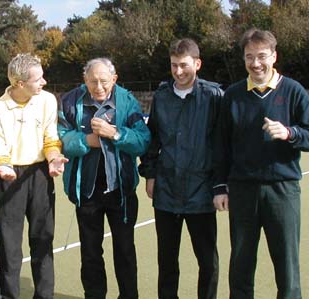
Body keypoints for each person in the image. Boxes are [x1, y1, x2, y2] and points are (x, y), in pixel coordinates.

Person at [213, 28, 309, 298]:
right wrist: (220, 186)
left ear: (274, 56)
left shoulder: (294, 91)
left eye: (262, 56)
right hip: (242, 190)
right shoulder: (232, 95)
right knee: (241, 265)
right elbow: (222, 145)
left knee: (287, 266)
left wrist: (290, 133)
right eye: (249, 57)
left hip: (283, 190)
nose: (256, 63)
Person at [58, 57, 150, 299]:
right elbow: (61, 138)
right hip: (86, 192)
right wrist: (87, 141)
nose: (98, 87)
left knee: (125, 250)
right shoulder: (69, 101)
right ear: (84, 80)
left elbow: (142, 140)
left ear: (115, 79)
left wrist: (116, 133)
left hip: (121, 191)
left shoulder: (127, 102)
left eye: (104, 81)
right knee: (90, 252)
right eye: (92, 82)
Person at [138, 38, 223, 299]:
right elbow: (152, 140)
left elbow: (222, 145)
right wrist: (150, 174)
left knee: (207, 262)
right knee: (167, 261)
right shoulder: (162, 97)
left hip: (202, 192)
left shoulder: (214, 96)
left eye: (184, 65)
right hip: (166, 193)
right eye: (174, 65)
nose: (178, 71)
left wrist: (220, 185)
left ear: (197, 63)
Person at [0, 53, 67, 299]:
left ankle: (44, 295)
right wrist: (3, 167)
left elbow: (50, 138)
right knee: (10, 244)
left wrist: (53, 159)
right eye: (38, 78)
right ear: (20, 83)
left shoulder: (47, 100)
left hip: (41, 174)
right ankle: (9, 295)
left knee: (43, 237)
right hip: (9, 176)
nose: (44, 82)